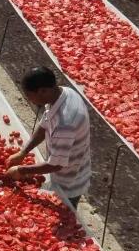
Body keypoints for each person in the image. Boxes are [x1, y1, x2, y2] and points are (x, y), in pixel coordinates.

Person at [6, 67, 92, 209]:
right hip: (65, 166)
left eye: (29, 95)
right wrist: (23, 152)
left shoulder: (65, 123)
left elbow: (55, 164)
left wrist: (21, 170)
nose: (29, 99)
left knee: (65, 213)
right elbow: (45, 124)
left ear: (42, 91)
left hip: (70, 180)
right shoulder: (63, 93)